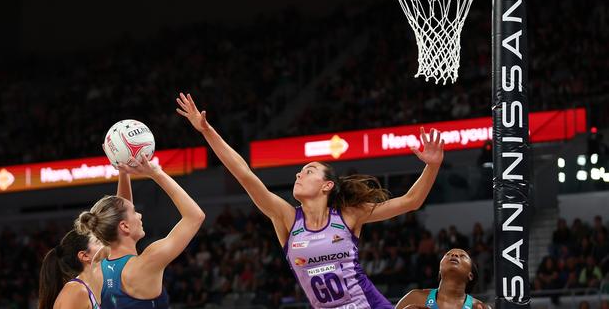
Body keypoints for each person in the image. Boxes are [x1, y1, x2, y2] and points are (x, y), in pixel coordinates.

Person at [176, 93, 444, 308]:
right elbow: (244, 175)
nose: (298, 173)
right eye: (300, 170)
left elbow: (411, 201)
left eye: (309, 170)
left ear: (327, 185)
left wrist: (432, 166)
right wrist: (206, 131)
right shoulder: (287, 218)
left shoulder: (348, 215)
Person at [75, 153, 205, 308]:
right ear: (124, 226)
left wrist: (123, 171)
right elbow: (195, 216)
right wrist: (155, 173)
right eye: (135, 212)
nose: (140, 215)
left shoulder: (97, 265)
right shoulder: (148, 262)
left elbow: (120, 214)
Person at [38, 167, 134, 309]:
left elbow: (123, 215)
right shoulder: (76, 291)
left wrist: (124, 172)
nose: (106, 241)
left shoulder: (104, 284)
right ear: (84, 256)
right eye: (98, 240)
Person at [395, 249, 487, 309]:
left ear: (470, 275)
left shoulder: (480, 307)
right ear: (440, 270)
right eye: (448, 254)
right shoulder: (413, 298)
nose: (454, 254)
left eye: (463, 256)